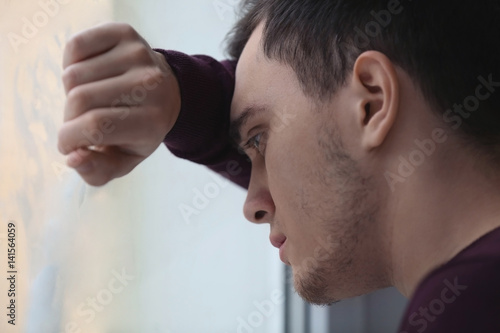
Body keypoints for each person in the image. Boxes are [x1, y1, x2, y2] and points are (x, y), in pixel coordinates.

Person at [57, 0, 500, 331]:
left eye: (257, 139)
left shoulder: (469, 308)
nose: (252, 205)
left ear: (372, 102)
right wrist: (182, 98)